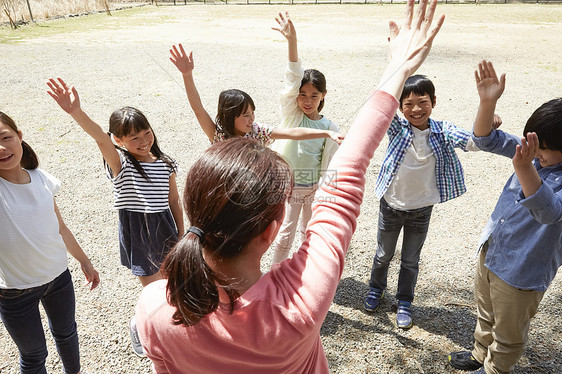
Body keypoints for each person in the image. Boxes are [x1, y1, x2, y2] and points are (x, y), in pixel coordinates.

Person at [135, 1, 444, 372]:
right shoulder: (300, 305)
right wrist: (400, 68)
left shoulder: (154, 307)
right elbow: (344, 184)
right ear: (270, 230)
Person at [47, 79, 184, 357]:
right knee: (152, 287)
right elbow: (99, 136)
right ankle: (142, 325)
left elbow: (174, 201)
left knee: (171, 283)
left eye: (146, 133)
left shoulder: (166, 163)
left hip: (165, 227)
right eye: (134, 138)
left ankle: (166, 325)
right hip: (138, 229)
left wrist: (182, 232)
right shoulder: (122, 164)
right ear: (118, 141)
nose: (144, 141)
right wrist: (76, 112)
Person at [448, 61, 562, 374]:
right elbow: (486, 139)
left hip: (523, 271)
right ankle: (478, 354)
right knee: (485, 312)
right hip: (493, 252)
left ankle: (493, 370)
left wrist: (525, 168)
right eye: (535, 144)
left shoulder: (536, 165)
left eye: (546, 150)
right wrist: (488, 103)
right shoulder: (533, 151)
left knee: (509, 333)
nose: (536, 152)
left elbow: (550, 212)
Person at [363, 74, 501, 329]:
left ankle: (404, 301)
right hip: (391, 205)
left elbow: (474, 142)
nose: (416, 109)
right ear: (400, 106)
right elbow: (377, 105)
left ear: (434, 102)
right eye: (408, 103)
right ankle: (375, 289)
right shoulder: (396, 127)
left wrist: (487, 120)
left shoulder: (442, 131)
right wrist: (402, 68)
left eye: (422, 102)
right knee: (383, 254)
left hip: (421, 210)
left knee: (410, 260)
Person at [0, 111, 100, 374]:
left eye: (5, 137)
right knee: (34, 355)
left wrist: (84, 260)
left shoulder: (42, 179)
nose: (2, 148)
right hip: (14, 292)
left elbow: (61, 227)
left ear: (20, 136)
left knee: (67, 334)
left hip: (59, 279)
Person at [269, 12, 343, 264]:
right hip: (288, 185)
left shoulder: (329, 127)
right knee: (284, 233)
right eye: (302, 95)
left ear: (324, 95)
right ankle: (276, 274)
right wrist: (292, 42)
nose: (307, 101)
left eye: (313, 95)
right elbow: (292, 77)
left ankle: (303, 272)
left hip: (313, 187)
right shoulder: (292, 116)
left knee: (308, 232)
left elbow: (334, 161)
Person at [169, 43, 344, 147]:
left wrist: (326, 133)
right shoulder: (219, 136)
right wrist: (187, 75)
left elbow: (292, 133)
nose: (251, 119)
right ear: (229, 117)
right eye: (246, 115)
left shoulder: (257, 132)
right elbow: (198, 109)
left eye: (252, 113)